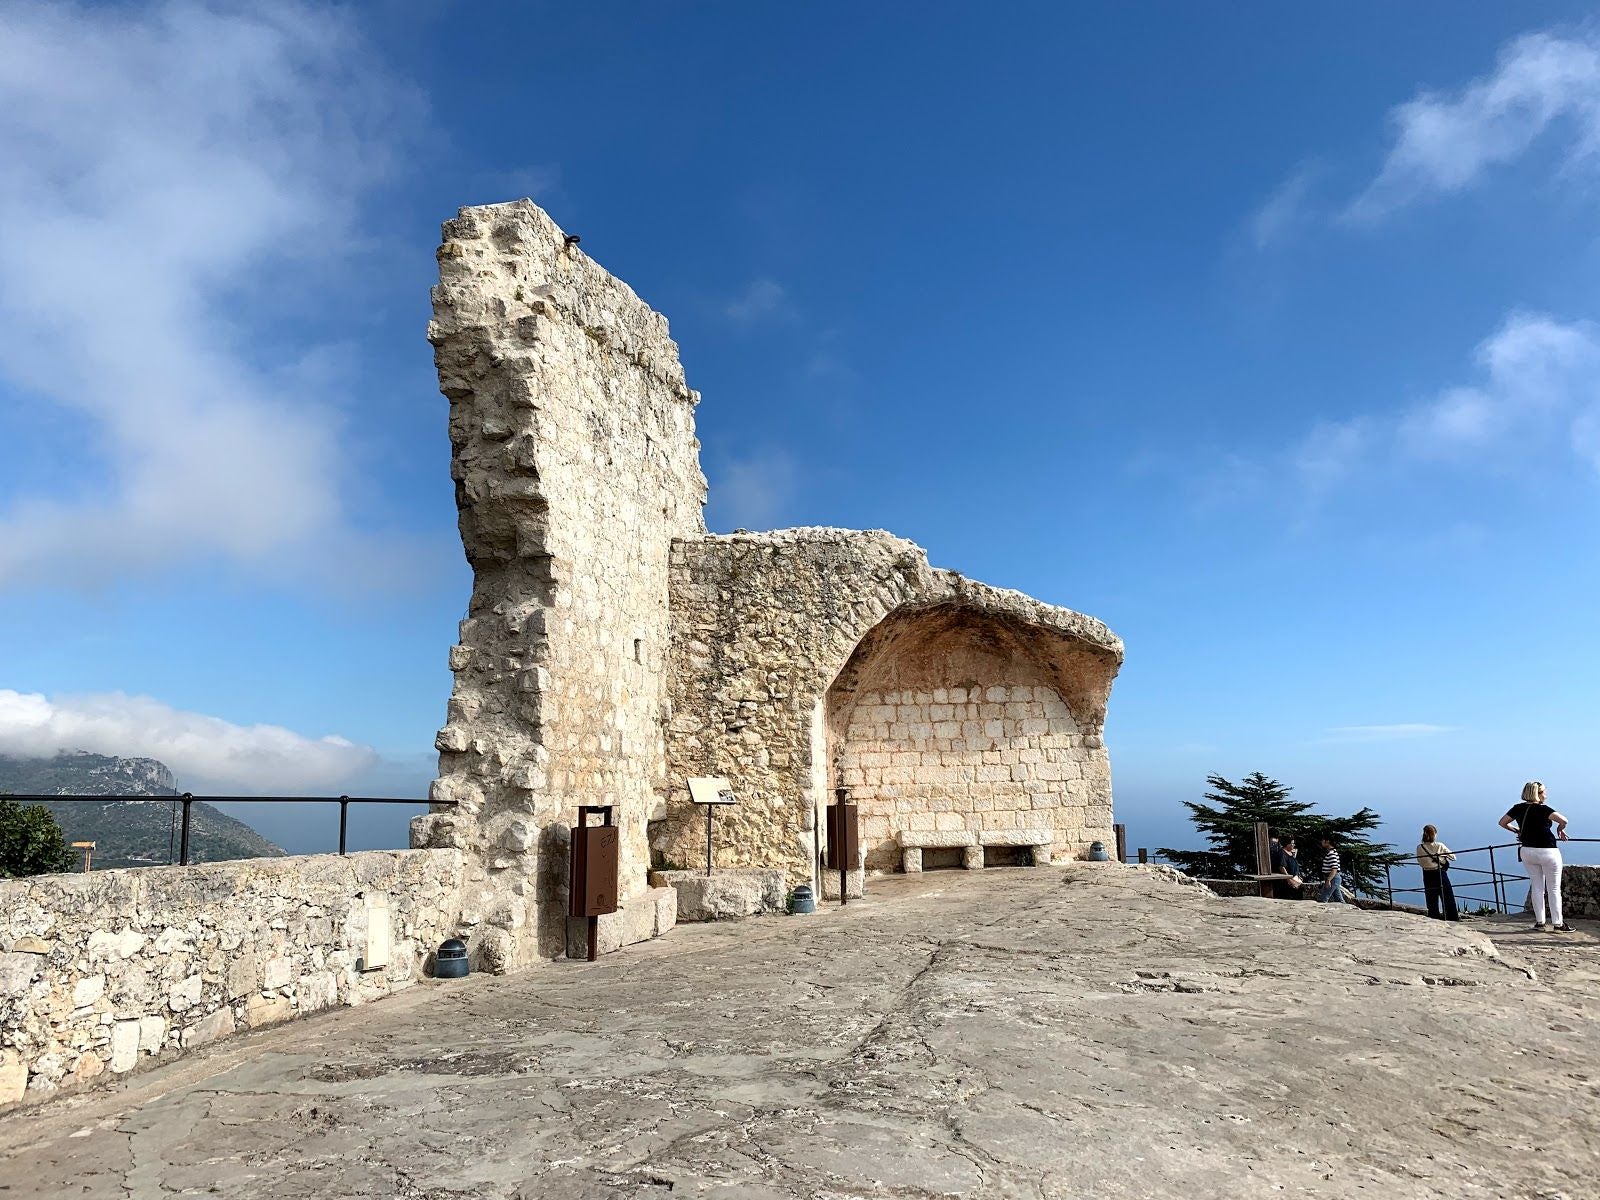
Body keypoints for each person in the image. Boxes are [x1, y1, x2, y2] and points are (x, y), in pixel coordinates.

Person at [1498, 781, 1573, 933]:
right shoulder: (1544, 809)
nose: (1546, 794)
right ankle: (1558, 924)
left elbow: (1502, 822)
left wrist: (1518, 831)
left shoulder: (1518, 808)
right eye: (1544, 791)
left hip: (1527, 851)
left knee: (1537, 886)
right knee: (1553, 889)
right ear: (1537, 794)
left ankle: (1540, 922)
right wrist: (1560, 828)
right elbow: (1564, 820)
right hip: (1548, 852)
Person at [1415, 824, 1459, 921]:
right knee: (1447, 896)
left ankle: (1433, 916)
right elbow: (1453, 857)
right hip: (1439, 873)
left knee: (1431, 898)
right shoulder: (1439, 845)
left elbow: (1420, 861)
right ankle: (1451, 917)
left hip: (1427, 874)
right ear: (1434, 834)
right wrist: (1442, 857)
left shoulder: (1420, 847)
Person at [1318, 835, 1344, 904]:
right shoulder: (1333, 852)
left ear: (1328, 841)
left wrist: (1328, 880)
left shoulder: (1331, 854)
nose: (1322, 842)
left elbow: (1334, 868)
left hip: (1333, 878)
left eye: (1323, 840)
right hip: (1334, 878)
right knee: (1339, 899)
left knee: (1323, 898)